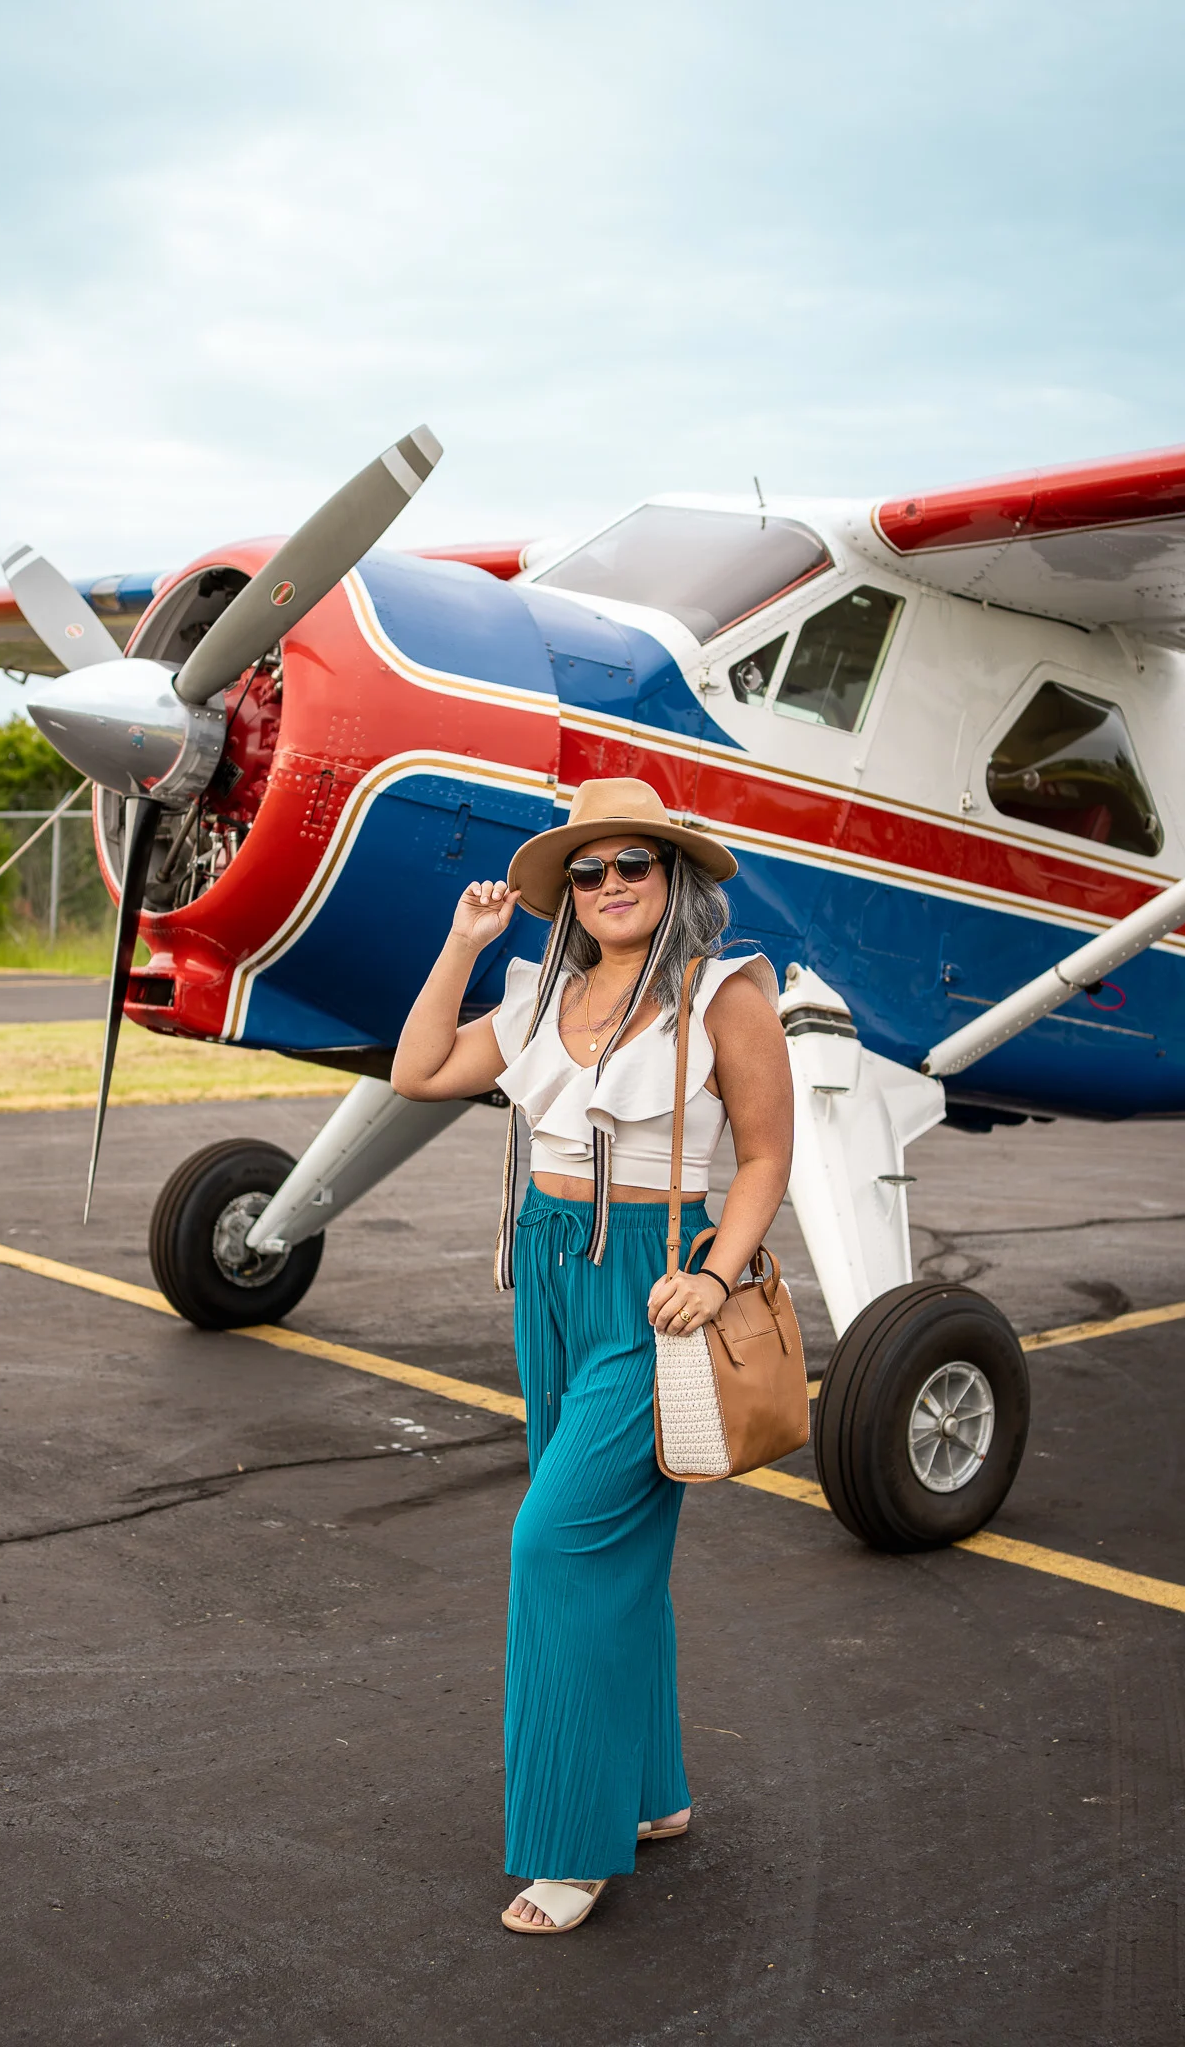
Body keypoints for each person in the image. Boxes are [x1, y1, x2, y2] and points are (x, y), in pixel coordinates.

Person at [392, 777, 792, 1934]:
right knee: (615, 1548)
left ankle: (572, 1841)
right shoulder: (539, 997)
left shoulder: (724, 997)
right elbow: (418, 1071)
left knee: (556, 1542)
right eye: (589, 869)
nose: (611, 883)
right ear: (566, 892)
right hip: (550, 1267)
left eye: (634, 863)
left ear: (673, 878)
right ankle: (652, 1792)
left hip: (651, 1285)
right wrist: (463, 944)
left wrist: (715, 1272)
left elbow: (765, 1156)